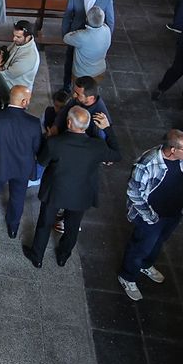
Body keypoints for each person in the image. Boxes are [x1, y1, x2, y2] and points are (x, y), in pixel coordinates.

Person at [26, 105, 121, 268]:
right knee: (72, 226)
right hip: (81, 193)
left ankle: (37, 256)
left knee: (45, 223)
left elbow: (42, 161)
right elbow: (117, 154)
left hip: (55, 191)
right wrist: (108, 129)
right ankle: (63, 256)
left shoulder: (55, 143)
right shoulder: (97, 146)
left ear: (69, 123)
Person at [119, 131, 183, 302]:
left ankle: (146, 266)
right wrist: (150, 216)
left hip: (173, 212)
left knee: (158, 242)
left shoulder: (181, 160)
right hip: (151, 216)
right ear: (173, 150)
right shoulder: (146, 163)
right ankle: (127, 276)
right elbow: (134, 191)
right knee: (140, 247)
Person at [0, 84, 43, 247]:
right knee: (18, 197)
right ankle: (13, 228)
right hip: (22, 168)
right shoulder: (33, 123)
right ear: (24, 102)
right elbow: (38, 149)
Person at [62, 5, 112, 80]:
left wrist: (77, 31)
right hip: (99, 70)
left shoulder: (81, 36)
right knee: (92, 90)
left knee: (78, 92)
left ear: (87, 19)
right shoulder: (107, 30)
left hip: (82, 74)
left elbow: (66, 38)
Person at [0, 20, 39, 91]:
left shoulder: (29, 57)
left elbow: (7, 75)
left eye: (18, 37)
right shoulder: (20, 43)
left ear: (28, 37)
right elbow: (7, 52)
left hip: (15, 88)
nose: (14, 39)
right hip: (7, 78)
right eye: (14, 35)